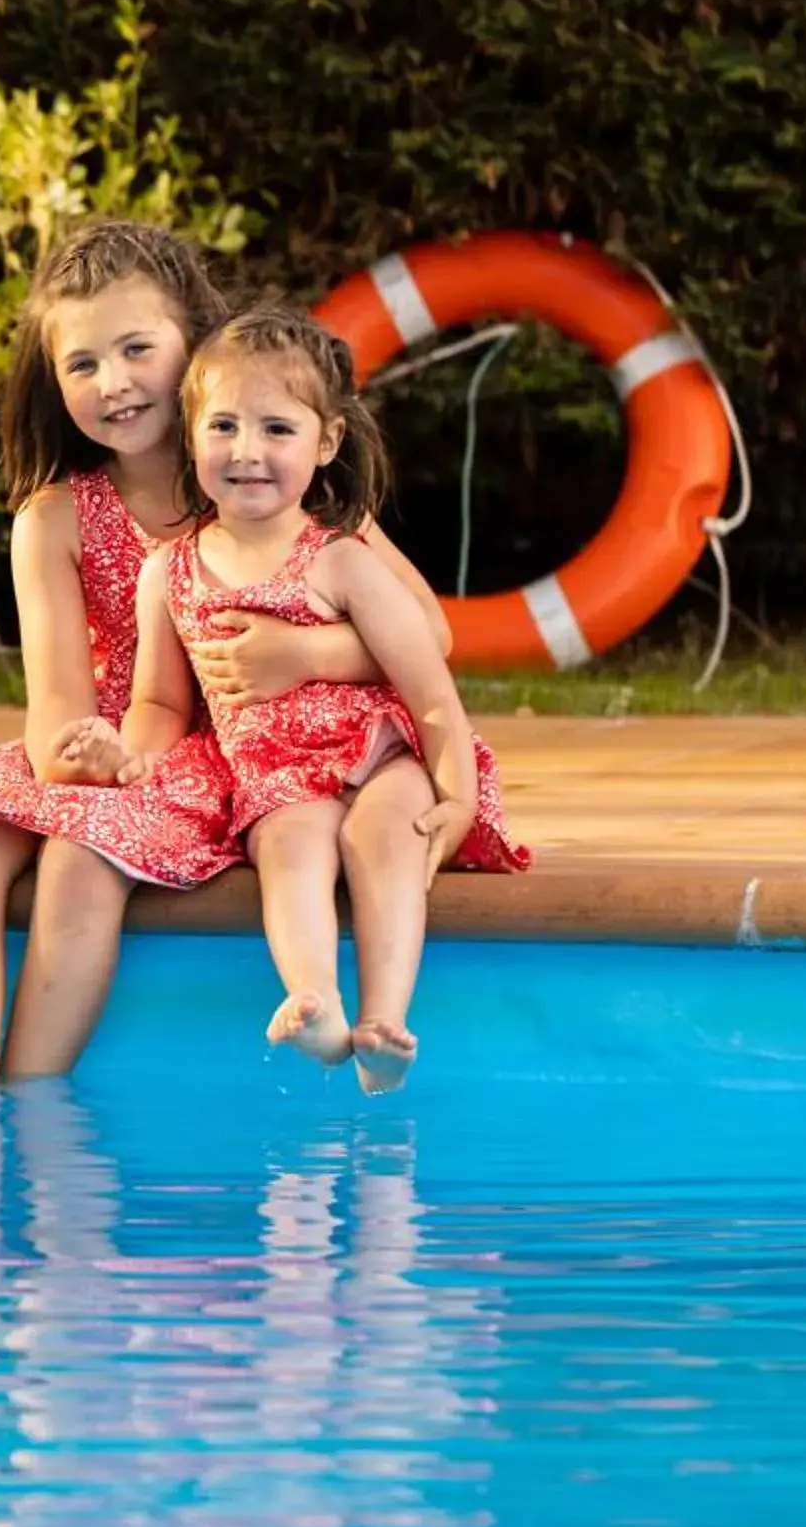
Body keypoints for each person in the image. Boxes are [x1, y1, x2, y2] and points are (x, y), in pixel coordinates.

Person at [0, 224, 448, 1086]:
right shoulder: (54, 519)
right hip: (132, 751)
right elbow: (56, 733)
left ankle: (31, 1087)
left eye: (136, 349)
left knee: (79, 857)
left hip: (258, 752)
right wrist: (109, 757)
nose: (112, 383)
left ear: (192, 342)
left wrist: (303, 656)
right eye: (81, 363)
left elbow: (431, 635)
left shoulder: (267, 473)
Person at [92, 306, 529, 1095]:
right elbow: (160, 702)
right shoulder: (170, 571)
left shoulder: (339, 561)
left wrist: (457, 790)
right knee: (288, 851)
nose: (247, 452)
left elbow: (430, 687)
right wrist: (136, 757)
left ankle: (385, 1021)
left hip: (380, 753)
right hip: (276, 776)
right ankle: (317, 1001)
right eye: (222, 425)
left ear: (325, 443)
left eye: (277, 431)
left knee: (381, 836)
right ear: (191, 438)